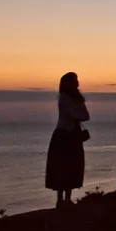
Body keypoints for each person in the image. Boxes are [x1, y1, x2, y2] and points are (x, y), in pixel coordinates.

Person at [45, 72, 90, 207]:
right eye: (75, 80)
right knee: (61, 167)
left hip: (74, 136)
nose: (77, 82)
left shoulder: (77, 98)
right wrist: (78, 112)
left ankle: (68, 199)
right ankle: (60, 200)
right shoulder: (63, 98)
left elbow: (86, 116)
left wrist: (78, 111)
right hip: (63, 136)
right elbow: (72, 114)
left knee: (73, 166)